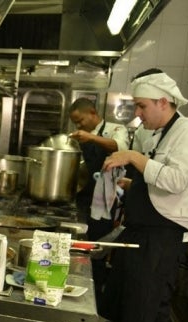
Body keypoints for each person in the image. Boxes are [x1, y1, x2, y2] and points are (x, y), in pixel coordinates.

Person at [87, 68, 188, 322]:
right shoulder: (153, 132)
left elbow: (177, 181)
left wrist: (133, 157)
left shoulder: (187, 133)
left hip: (163, 237)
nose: (139, 114)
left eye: (143, 106)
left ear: (164, 102)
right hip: (140, 229)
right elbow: (155, 180)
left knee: (148, 312)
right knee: (125, 301)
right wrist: (133, 185)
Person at [68, 97, 129, 304]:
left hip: (105, 200)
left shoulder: (115, 129)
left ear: (92, 112)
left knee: (98, 250)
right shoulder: (82, 137)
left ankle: (96, 298)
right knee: (81, 246)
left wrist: (90, 138)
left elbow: (118, 147)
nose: (79, 126)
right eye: (75, 123)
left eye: (80, 120)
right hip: (82, 196)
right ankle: (77, 286)